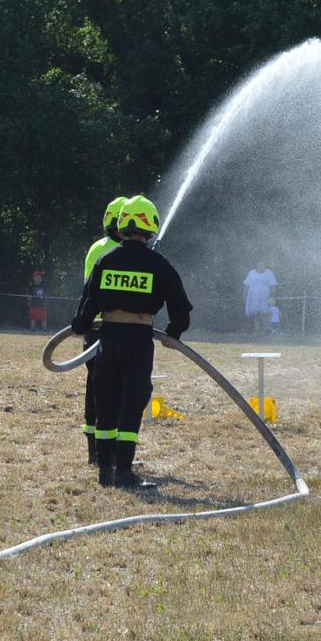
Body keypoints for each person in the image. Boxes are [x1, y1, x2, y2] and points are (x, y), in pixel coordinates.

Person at [72, 195, 193, 489]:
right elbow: (180, 306)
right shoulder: (158, 264)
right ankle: (124, 472)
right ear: (151, 224)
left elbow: (87, 303)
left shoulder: (106, 260)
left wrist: (81, 325)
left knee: (106, 402)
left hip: (107, 338)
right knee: (131, 402)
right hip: (138, 341)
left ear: (121, 223)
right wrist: (173, 333)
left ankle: (105, 472)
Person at [79, 197, 126, 467]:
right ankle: (100, 449)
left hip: (102, 329)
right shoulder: (107, 250)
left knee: (104, 388)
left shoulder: (102, 247)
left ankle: (103, 449)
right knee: (103, 389)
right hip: (102, 328)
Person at [243, 263, 278, 334]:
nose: (261, 265)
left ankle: (267, 330)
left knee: (265, 314)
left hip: (265, 297)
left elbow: (273, 286)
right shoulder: (251, 273)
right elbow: (247, 285)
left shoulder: (269, 273)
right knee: (256, 314)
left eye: (262, 264)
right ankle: (257, 331)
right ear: (257, 264)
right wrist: (244, 294)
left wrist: (272, 297)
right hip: (254, 297)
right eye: (259, 263)